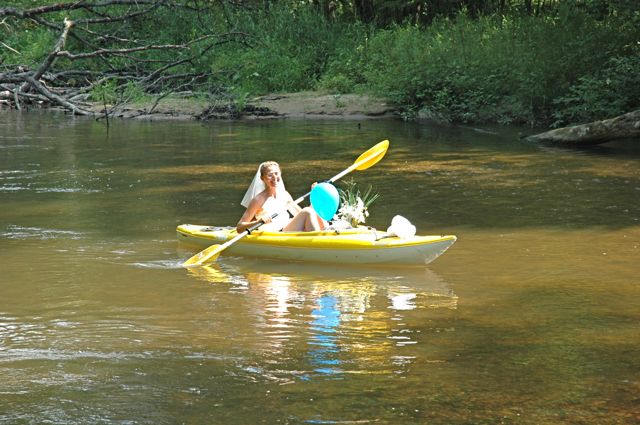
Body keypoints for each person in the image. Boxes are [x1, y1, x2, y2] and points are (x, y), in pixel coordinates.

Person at [236, 161, 326, 233]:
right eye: (270, 175)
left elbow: (300, 213)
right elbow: (239, 227)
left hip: (286, 227)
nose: (274, 178)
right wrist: (258, 222)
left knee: (313, 213)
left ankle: (323, 234)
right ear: (262, 178)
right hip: (276, 233)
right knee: (307, 212)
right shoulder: (258, 200)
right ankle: (319, 242)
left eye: (276, 173)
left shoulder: (284, 194)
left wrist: (314, 195)